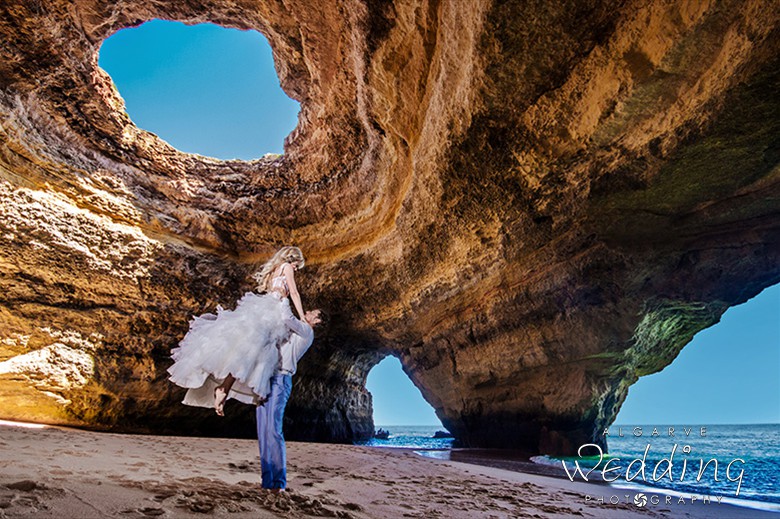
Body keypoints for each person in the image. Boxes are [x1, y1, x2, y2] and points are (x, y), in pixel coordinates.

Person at [167, 246, 310, 414]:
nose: (296, 269)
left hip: (265, 307)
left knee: (248, 351)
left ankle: (225, 388)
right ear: (294, 259)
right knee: (255, 350)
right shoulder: (286, 266)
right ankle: (228, 389)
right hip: (272, 310)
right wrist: (301, 316)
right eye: (297, 266)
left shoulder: (274, 270)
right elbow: (294, 292)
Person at [258, 308, 321, 492]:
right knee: (263, 431)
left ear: (316, 322)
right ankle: (266, 481)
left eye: (312, 313)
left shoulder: (307, 331)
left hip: (281, 380)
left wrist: (284, 296)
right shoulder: (294, 332)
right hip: (266, 377)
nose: (307, 311)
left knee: (273, 430)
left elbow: (286, 316)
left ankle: (279, 483)